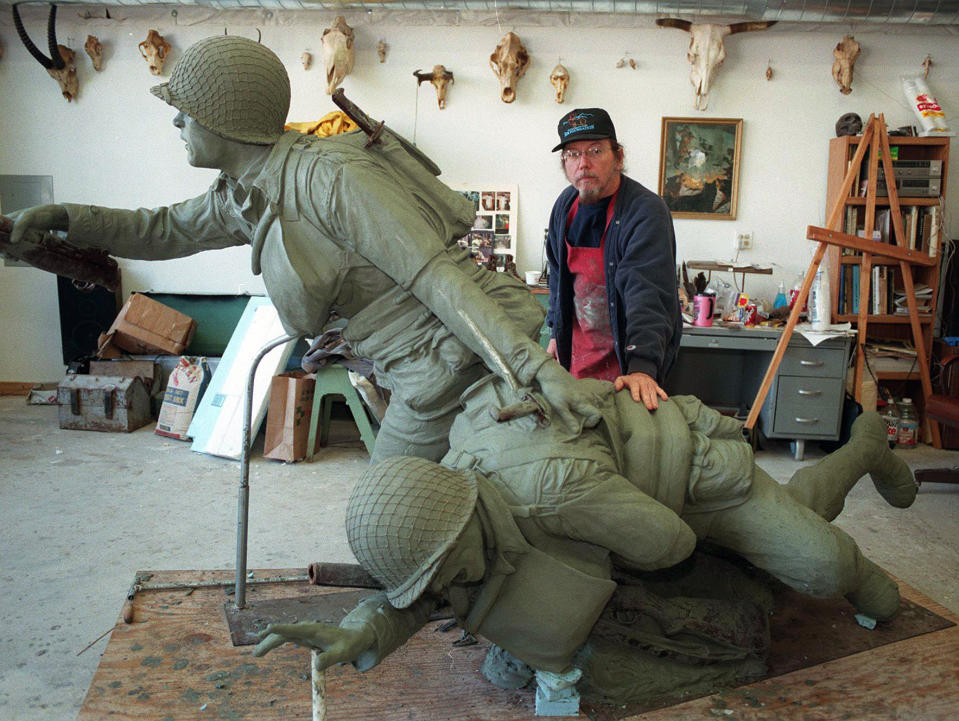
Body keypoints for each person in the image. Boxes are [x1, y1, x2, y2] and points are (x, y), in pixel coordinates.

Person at [5, 36, 602, 463]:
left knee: (387, 517)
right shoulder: (244, 194)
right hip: (408, 363)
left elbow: (439, 278)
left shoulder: (331, 177)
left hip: (449, 359)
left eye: (183, 112)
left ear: (224, 119)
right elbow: (161, 229)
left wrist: (538, 372)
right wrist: (65, 218)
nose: (176, 125)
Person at [254, 374, 917, 704]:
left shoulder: (551, 489)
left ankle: (865, 445)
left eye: (447, 571)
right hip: (622, 493)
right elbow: (436, 585)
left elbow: (667, 544)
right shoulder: (457, 497)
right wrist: (364, 628)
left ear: (459, 526)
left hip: (693, 476)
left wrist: (578, 565)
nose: (449, 587)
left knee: (821, 567)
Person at [545, 108, 682, 411]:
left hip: (627, 363)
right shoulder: (563, 206)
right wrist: (555, 333)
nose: (583, 163)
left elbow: (647, 292)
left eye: (595, 151)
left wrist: (643, 368)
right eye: (572, 154)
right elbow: (557, 277)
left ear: (618, 157)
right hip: (576, 359)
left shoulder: (645, 211)